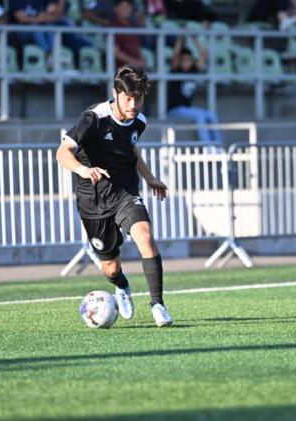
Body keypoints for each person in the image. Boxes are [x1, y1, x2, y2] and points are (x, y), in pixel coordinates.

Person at [56, 65, 173, 327]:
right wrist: (84, 170)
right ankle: (122, 285)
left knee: (145, 236)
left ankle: (158, 305)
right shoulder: (93, 119)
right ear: (115, 94)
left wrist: (150, 178)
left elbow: (130, 150)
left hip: (124, 192)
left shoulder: (139, 121)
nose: (134, 105)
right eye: (128, 98)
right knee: (110, 268)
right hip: (93, 200)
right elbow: (62, 153)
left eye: (139, 98)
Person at [167, 35, 222, 144]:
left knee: (212, 115)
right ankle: (208, 147)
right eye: (183, 60)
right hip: (175, 109)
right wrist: (180, 38)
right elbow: (175, 55)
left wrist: (194, 39)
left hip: (188, 109)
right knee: (200, 115)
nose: (186, 63)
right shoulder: (176, 70)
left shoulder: (193, 70)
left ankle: (218, 145)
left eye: (188, 60)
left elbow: (204, 55)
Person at [112, 0, 146, 68]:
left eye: (128, 7)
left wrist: (142, 62)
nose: (126, 10)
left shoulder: (133, 25)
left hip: (137, 66)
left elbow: (137, 49)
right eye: (123, 7)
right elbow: (115, 52)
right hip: (122, 68)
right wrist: (135, 62)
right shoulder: (113, 26)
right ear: (116, 9)